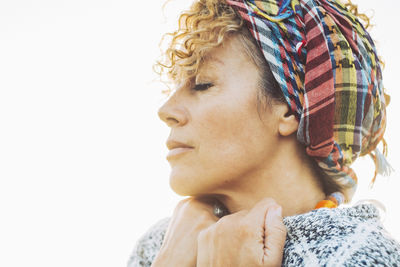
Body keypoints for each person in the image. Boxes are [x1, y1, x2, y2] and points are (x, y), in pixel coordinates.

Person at [128, 0, 400, 266]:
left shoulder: (358, 253)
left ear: (290, 109)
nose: (166, 110)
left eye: (202, 84)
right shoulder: (160, 244)